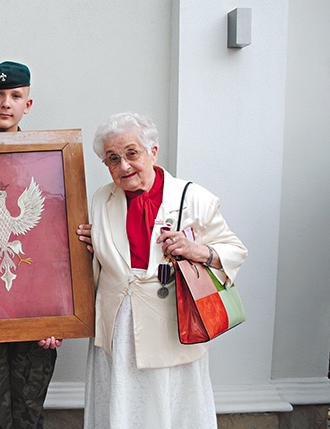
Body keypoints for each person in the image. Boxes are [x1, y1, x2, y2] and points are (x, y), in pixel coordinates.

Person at [77, 112, 247, 428]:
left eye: (132, 153)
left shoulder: (193, 197)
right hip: (118, 324)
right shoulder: (103, 198)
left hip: (172, 324)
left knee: (171, 407)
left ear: (153, 152)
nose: (124, 166)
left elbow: (234, 251)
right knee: (120, 405)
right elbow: (101, 257)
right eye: (113, 159)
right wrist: (88, 244)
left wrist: (196, 250)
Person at [0, 60, 61, 429]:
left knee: (29, 412)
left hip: (34, 308)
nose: (6, 103)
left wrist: (61, 311)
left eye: (15, 96)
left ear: (28, 104)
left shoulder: (45, 161)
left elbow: (55, 244)